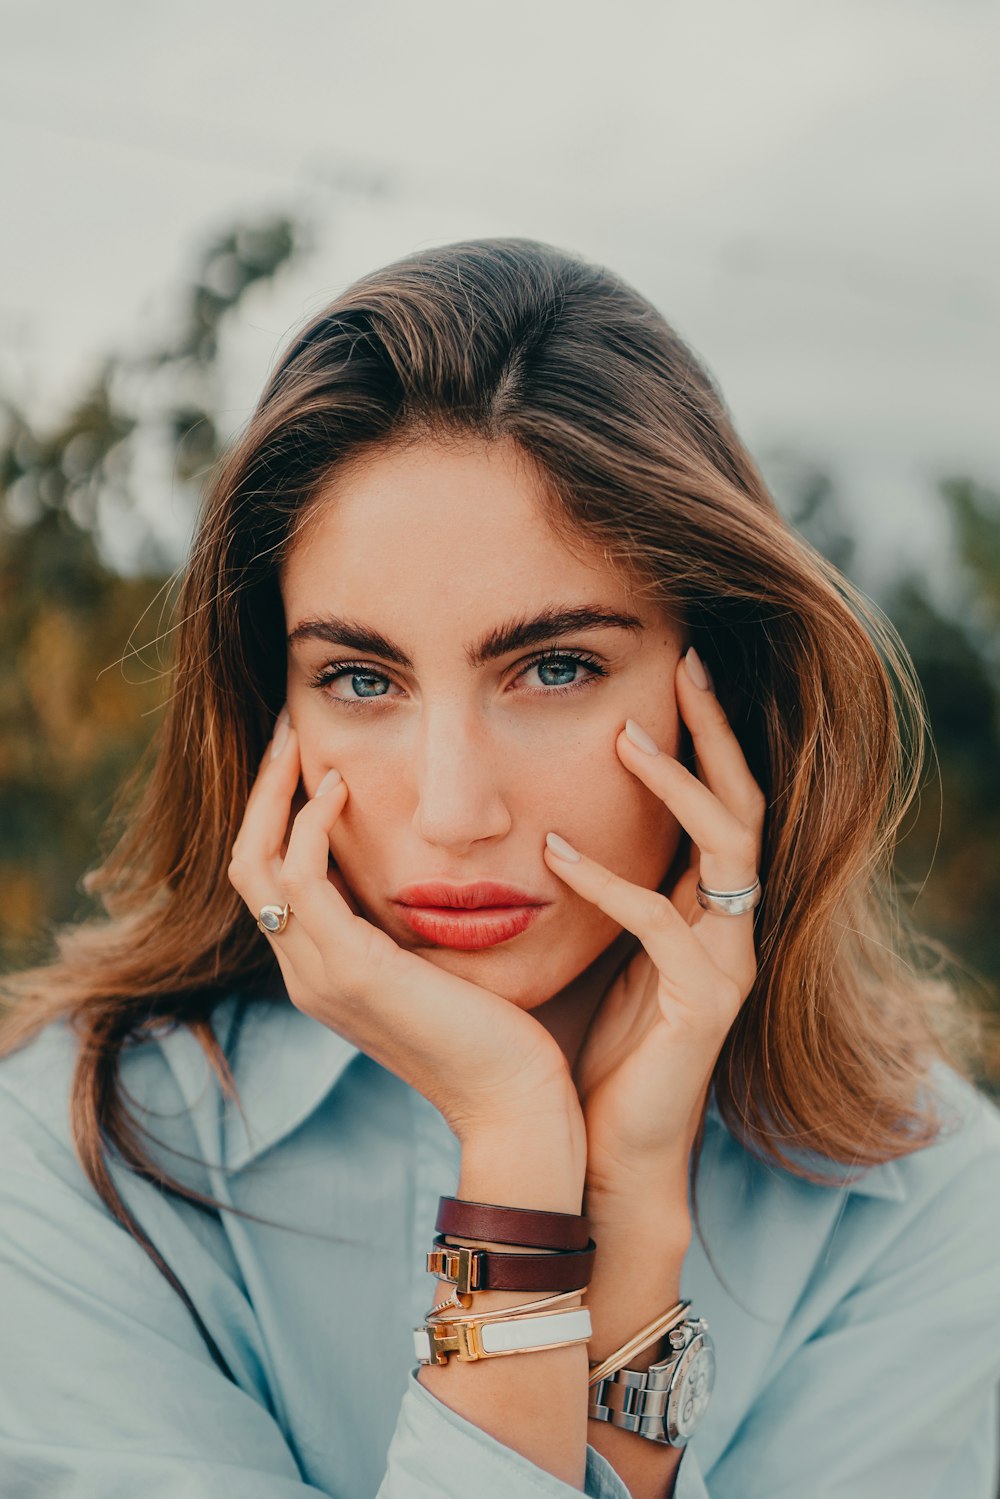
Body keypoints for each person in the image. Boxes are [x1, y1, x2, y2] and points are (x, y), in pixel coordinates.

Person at [0, 237, 997, 1499]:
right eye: (360, 679)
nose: (455, 808)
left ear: (724, 690)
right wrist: (524, 1150)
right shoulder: (74, 1154)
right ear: (273, 718)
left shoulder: (920, 1205)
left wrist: (636, 1211)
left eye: (557, 667)